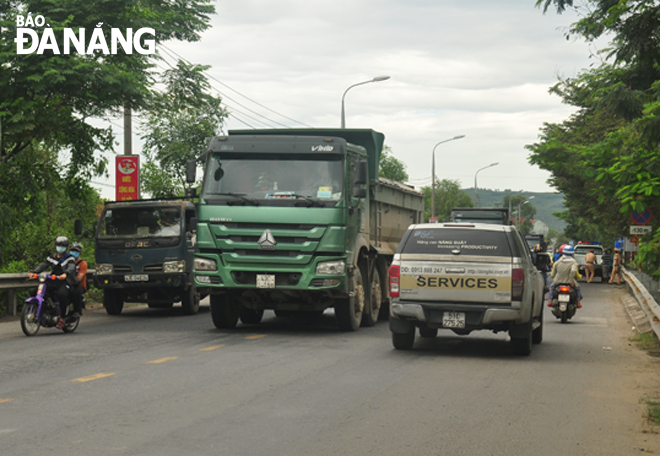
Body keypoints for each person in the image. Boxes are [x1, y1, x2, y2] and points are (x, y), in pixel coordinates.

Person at [32, 236, 78, 329]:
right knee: (35, 292)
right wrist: (34, 272)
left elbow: (71, 267)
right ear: (55, 246)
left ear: (66, 247)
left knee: (62, 295)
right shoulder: (51, 257)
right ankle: (45, 310)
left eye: (62, 245)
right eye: (58, 245)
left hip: (64, 281)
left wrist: (65, 274)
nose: (60, 247)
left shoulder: (69, 258)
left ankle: (62, 318)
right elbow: (44, 265)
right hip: (53, 280)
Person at [68, 243, 87, 322]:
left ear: (79, 252)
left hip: (79, 285)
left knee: (76, 291)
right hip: (67, 283)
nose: (74, 253)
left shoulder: (83, 264)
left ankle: (77, 311)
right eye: (72, 251)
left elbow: (80, 278)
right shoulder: (67, 262)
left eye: (76, 251)